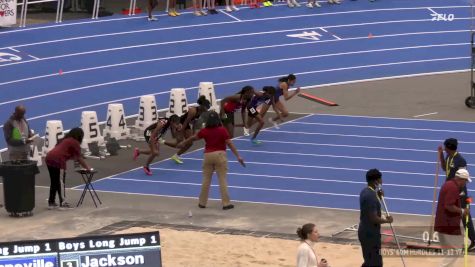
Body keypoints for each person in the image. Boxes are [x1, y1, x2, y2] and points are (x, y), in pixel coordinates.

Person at [178, 111, 244, 210]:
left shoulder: (205, 130)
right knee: (222, 180)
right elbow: (229, 143)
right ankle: (226, 204)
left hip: (207, 156)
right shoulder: (222, 130)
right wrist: (238, 156)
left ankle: (202, 203)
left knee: (206, 180)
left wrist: (184, 142)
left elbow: (193, 138)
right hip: (220, 155)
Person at [438, 138, 475, 251]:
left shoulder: (461, 161)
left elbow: (463, 179)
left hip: (460, 193)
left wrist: (459, 194)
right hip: (450, 191)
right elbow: (445, 168)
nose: (444, 149)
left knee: (464, 216)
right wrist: (440, 156)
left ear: (449, 148)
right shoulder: (449, 156)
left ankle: (473, 240)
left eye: (445, 148)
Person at [45, 128, 91, 209]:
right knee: (60, 182)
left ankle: (51, 202)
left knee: (54, 181)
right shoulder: (75, 142)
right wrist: (87, 168)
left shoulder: (64, 140)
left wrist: (77, 156)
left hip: (49, 158)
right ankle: (63, 203)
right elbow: (79, 158)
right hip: (58, 160)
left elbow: (67, 153)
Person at [434, 169, 471, 267]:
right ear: (461, 179)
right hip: (448, 224)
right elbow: (449, 206)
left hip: (443, 223)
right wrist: (462, 211)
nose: (466, 183)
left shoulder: (449, 184)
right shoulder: (453, 188)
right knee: (455, 251)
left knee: (449, 253)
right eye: (466, 181)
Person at [358, 168, 393, 267]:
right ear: (376, 181)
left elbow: (370, 209)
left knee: (369, 261)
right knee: (376, 263)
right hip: (370, 235)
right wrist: (387, 220)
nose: (382, 181)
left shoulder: (365, 191)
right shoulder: (371, 196)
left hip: (365, 231)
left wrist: (378, 196)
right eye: (381, 179)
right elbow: (373, 218)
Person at [170, 96, 211, 164]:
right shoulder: (193, 110)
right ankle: (162, 141)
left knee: (190, 142)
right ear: (202, 106)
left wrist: (193, 133)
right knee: (180, 143)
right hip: (180, 124)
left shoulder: (201, 111)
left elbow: (194, 122)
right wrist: (181, 132)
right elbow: (186, 122)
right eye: (206, 107)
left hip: (186, 125)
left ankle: (176, 155)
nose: (207, 109)